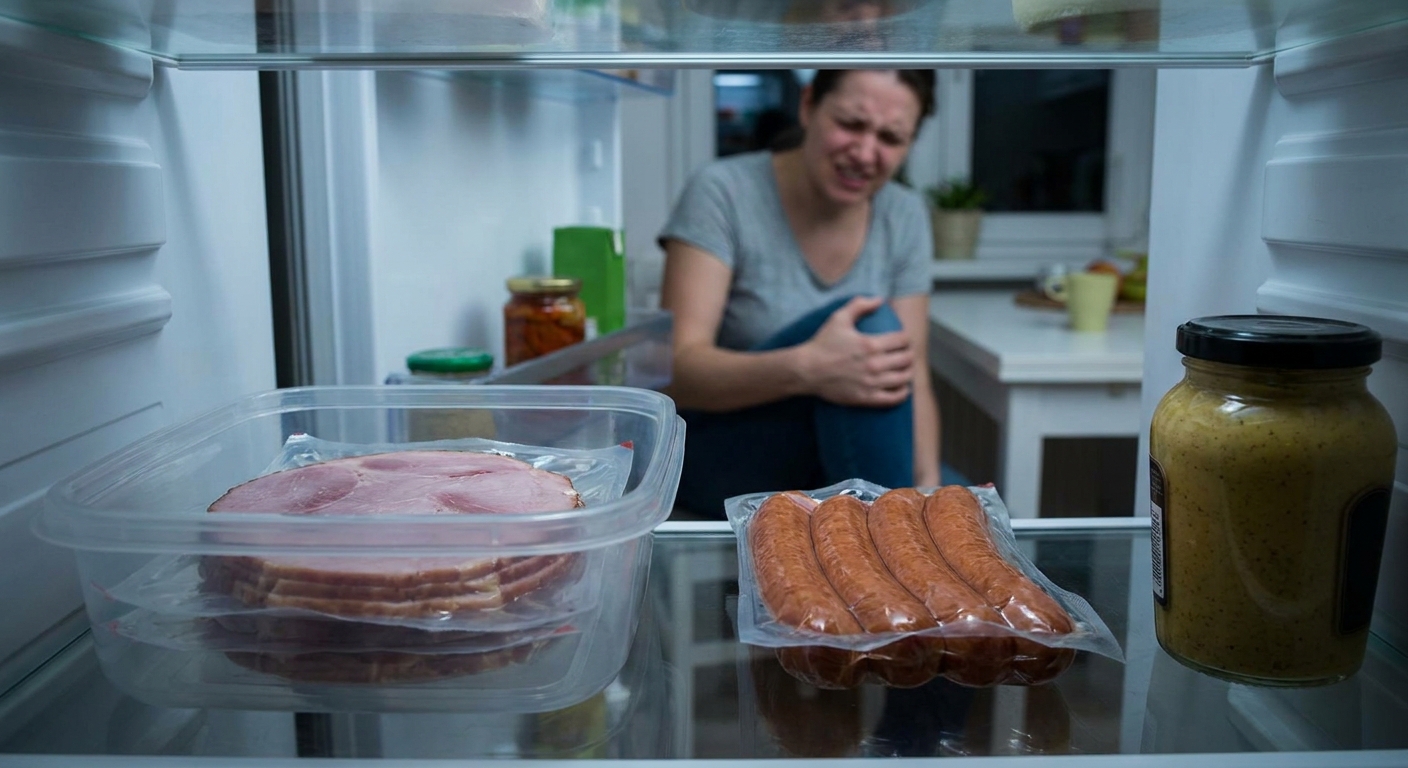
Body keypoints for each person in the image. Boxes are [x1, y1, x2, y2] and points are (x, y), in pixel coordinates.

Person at [659, 69, 956, 519]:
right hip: (723, 451)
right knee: (873, 327)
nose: (865, 153)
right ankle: (893, 554)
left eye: (891, 138)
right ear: (808, 105)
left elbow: (911, 373)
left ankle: (901, 539)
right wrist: (809, 368)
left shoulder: (904, 213)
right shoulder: (723, 192)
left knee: (956, 505)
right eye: (851, 124)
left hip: (842, 450)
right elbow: (675, 374)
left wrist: (928, 486)